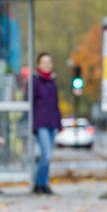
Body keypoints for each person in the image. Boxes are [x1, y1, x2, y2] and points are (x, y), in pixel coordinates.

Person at [31, 52, 62, 195]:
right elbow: (30, 102)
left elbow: (55, 104)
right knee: (46, 154)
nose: (47, 65)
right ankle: (38, 183)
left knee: (47, 156)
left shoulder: (52, 82)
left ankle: (44, 184)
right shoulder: (35, 82)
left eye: (49, 62)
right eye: (44, 62)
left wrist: (59, 123)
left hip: (52, 123)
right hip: (41, 123)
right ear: (39, 65)